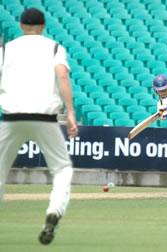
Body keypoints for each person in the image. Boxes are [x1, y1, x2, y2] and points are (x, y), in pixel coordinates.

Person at [0, 8, 78, 245]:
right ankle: (54, 212)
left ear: (21, 26)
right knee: (62, 169)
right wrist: (71, 112)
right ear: (43, 25)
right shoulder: (54, 46)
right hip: (44, 118)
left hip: (11, 116)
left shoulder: (6, 48)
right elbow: (62, 75)